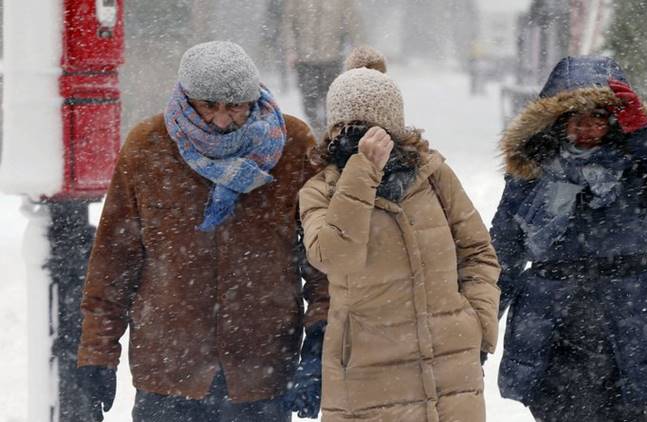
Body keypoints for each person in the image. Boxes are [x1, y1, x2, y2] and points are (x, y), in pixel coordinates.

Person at [76, 41, 329, 422]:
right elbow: (114, 262)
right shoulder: (148, 147)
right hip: (168, 370)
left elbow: (321, 258)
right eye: (209, 106)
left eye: (235, 107)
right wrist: (98, 353)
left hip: (261, 369)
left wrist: (321, 339)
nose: (222, 121)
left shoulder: (292, 146)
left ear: (254, 99)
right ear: (186, 97)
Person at [491, 56, 647, 422]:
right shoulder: (532, 171)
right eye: (576, 117)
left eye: (598, 117)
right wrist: (478, 330)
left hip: (630, 320)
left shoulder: (639, 162)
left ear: (614, 120)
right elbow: (504, 252)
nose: (588, 127)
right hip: (550, 326)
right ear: (557, 123)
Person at [298, 47, 501, 422]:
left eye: (372, 128)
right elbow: (335, 256)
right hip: (368, 379)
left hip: (450, 376)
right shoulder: (319, 192)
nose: (359, 138)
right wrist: (362, 170)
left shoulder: (434, 176)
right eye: (348, 127)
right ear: (333, 130)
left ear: (395, 129)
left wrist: (477, 326)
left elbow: (477, 253)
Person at [282, 0, 363, 135]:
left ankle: (329, 133)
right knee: (309, 99)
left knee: (331, 99)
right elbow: (288, 23)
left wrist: (358, 49)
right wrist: (290, 49)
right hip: (304, 59)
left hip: (332, 57)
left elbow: (352, 22)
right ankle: (315, 130)